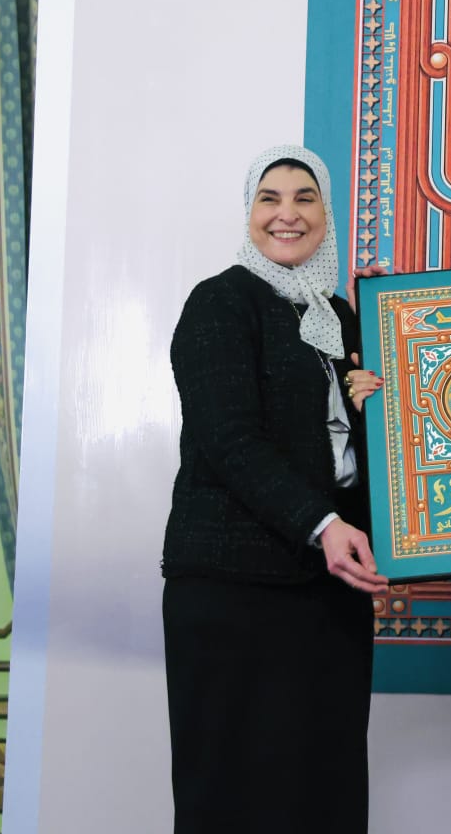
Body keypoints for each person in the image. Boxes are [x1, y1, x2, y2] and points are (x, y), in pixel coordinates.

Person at [161, 143, 389, 834]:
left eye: (304, 198)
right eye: (270, 198)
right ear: (249, 212)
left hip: (328, 594)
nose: (287, 214)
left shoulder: (341, 317)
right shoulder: (221, 302)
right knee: (233, 797)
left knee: (322, 792)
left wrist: (377, 401)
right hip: (235, 593)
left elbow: (347, 457)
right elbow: (231, 441)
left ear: (327, 214)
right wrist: (324, 524)